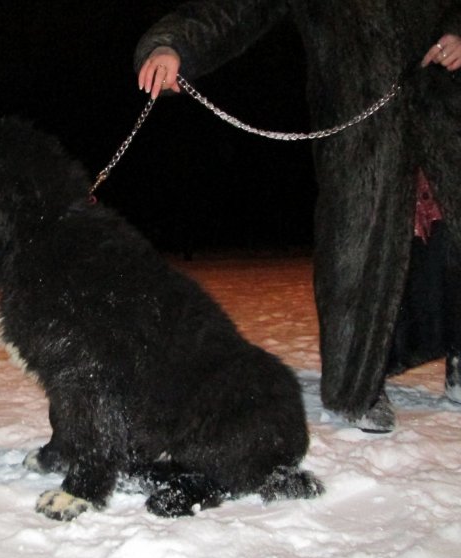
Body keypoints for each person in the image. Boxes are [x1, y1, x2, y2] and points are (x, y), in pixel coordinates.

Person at [134, 1, 461, 432]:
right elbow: (232, 10)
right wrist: (172, 45)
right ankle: (357, 388)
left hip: (444, 107)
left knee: (451, 229)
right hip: (360, 129)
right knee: (358, 248)